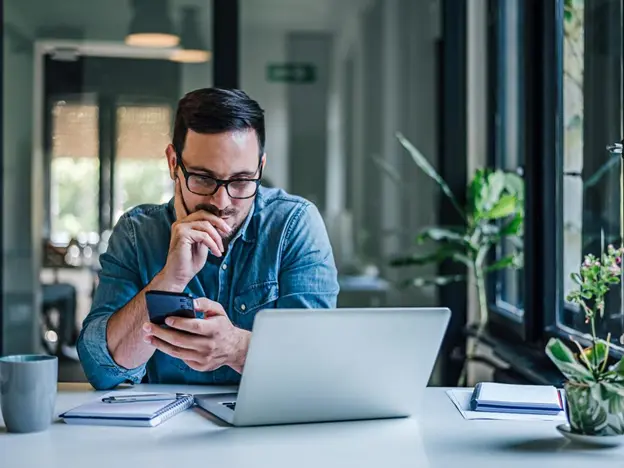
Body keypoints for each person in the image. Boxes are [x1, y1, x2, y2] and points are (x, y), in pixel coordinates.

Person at [77, 88, 339, 390]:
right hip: (163, 433)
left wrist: (237, 349)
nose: (221, 201)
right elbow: (101, 370)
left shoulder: (294, 225)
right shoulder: (138, 233)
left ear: (260, 168)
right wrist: (169, 281)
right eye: (203, 178)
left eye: (241, 181)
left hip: (268, 429)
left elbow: (315, 364)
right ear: (173, 162)